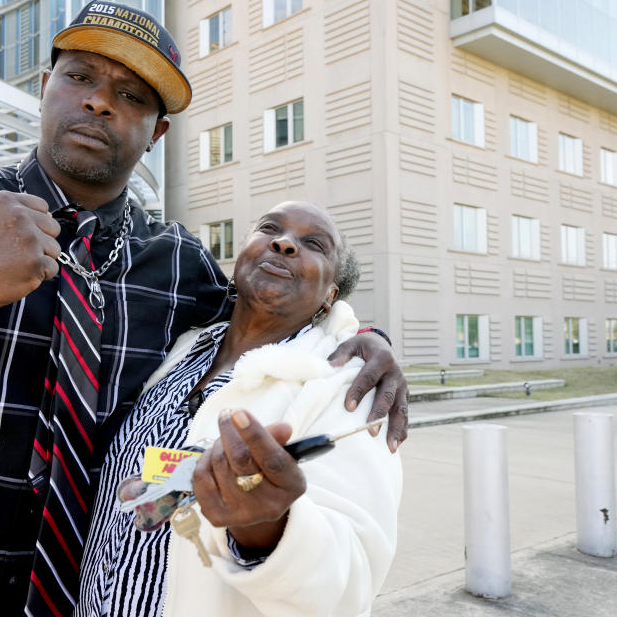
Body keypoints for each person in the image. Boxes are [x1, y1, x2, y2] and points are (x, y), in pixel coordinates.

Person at [0, 1, 408, 617]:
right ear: (47, 84)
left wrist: (365, 338)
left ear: (157, 133)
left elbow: (273, 316)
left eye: (133, 96)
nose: (101, 101)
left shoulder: (180, 263)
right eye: (80, 76)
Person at [77, 201, 402, 616]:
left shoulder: (349, 388)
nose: (284, 243)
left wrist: (268, 529)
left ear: (331, 294)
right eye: (270, 228)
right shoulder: (179, 347)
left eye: (314, 244)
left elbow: (351, 582)